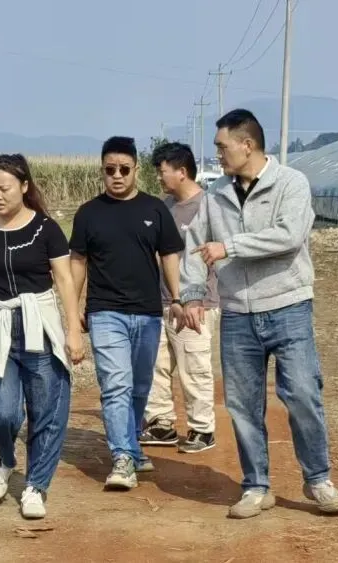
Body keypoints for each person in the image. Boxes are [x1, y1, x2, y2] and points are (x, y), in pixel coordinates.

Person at [176, 108, 338, 519]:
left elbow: (289, 236)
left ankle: (318, 479)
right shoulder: (216, 194)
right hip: (237, 314)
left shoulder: (291, 183)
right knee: (242, 404)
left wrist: (230, 247)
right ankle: (256, 486)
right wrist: (193, 295)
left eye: (222, 146)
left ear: (247, 144)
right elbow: (196, 247)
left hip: (288, 306)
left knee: (302, 393)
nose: (218, 154)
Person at [0, 153, 86, 519]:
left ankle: (36, 486)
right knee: (1, 411)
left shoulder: (46, 229)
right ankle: (5, 458)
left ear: (25, 187)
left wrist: (73, 331)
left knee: (47, 410)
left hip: (39, 326)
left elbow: (64, 280)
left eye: (5, 188)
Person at [68, 136, 186, 490]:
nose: (116, 176)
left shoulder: (155, 210)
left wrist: (177, 298)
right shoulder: (89, 213)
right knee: (116, 384)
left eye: (123, 169)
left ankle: (132, 446)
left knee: (139, 386)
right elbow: (78, 263)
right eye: (110, 170)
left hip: (147, 313)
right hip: (105, 313)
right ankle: (121, 457)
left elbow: (169, 255)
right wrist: (72, 312)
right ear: (102, 171)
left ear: (136, 170)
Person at [139, 142, 221, 454]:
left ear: (182, 172)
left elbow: (213, 257)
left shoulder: (209, 207)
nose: (159, 178)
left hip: (195, 304)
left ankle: (202, 429)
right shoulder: (164, 207)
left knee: (194, 367)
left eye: (163, 172)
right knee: (156, 365)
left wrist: (193, 299)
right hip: (161, 301)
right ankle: (161, 423)